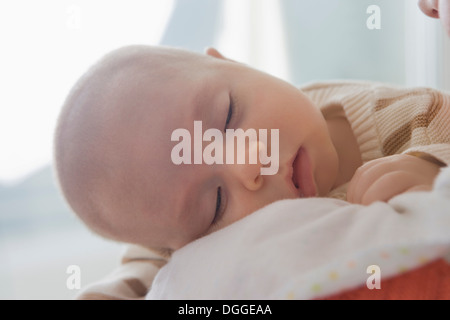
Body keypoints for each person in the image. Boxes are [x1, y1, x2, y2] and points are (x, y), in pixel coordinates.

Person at [54, 45, 449, 257]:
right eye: (216, 203)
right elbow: (148, 269)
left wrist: (432, 169)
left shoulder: (421, 119)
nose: (249, 163)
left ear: (234, 62)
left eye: (227, 118)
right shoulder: (183, 245)